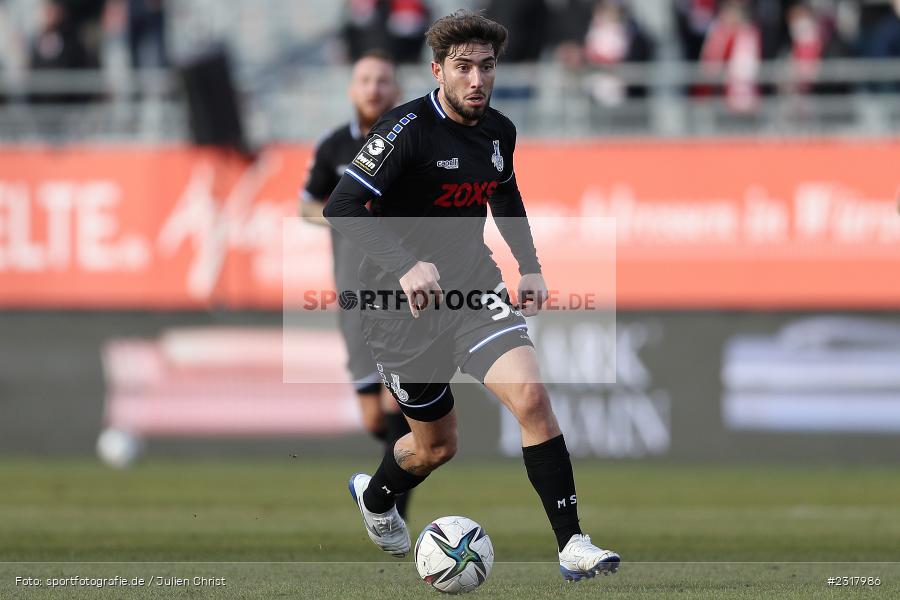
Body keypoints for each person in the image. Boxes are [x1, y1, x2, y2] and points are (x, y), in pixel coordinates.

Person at [324, 10, 620, 582]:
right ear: (438, 71)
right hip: (398, 310)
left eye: (486, 67)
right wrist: (406, 264)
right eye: (463, 68)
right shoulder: (404, 130)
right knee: (435, 447)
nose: (477, 80)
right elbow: (342, 206)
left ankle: (572, 544)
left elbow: (504, 196)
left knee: (532, 399)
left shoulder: (500, 131)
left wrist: (529, 267)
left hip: (472, 290)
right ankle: (379, 496)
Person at [301, 49, 414, 518]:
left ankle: (391, 510)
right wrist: (343, 215)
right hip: (353, 293)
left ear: (397, 89)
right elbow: (307, 204)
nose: (373, 89)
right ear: (352, 89)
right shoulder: (333, 148)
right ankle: (408, 454)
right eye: (365, 80)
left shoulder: (413, 141)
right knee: (376, 416)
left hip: (402, 291)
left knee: (400, 402)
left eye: (382, 80)